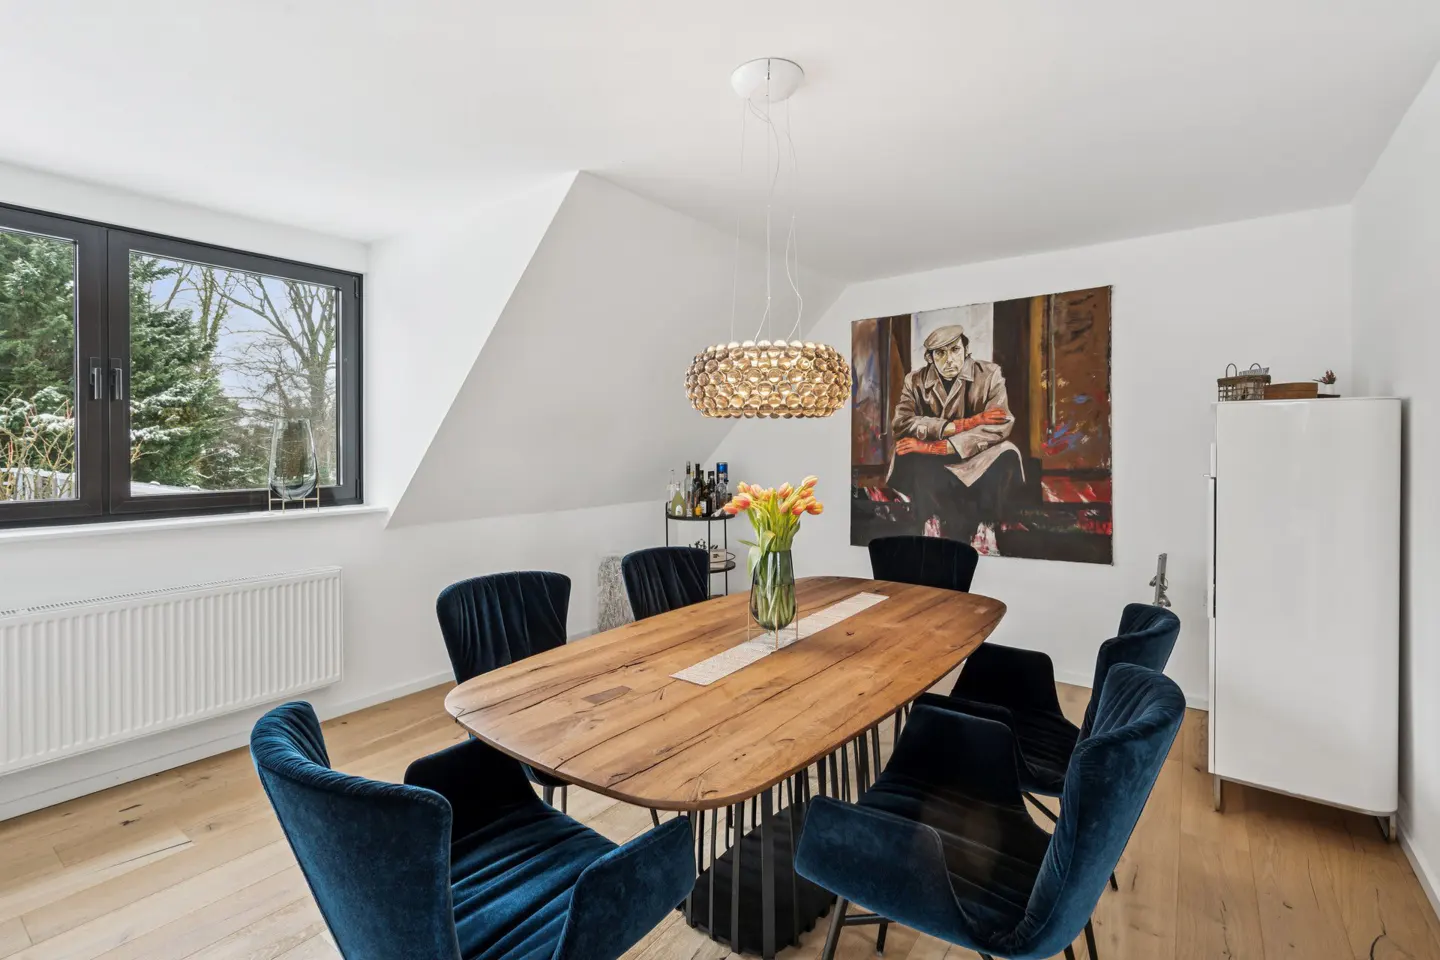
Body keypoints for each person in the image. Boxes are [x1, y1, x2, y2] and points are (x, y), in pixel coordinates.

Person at [887, 324, 1022, 542]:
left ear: (966, 350)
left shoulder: (989, 374)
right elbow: (902, 423)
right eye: (940, 353)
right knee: (906, 450)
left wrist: (940, 446)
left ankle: (985, 527)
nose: (949, 360)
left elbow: (1000, 423)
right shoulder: (915, 380)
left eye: (955, 350)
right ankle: (932, 523)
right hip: (931, 459)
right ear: (930, 358)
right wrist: (967, 423)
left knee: (1007, 451)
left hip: (975, 454)